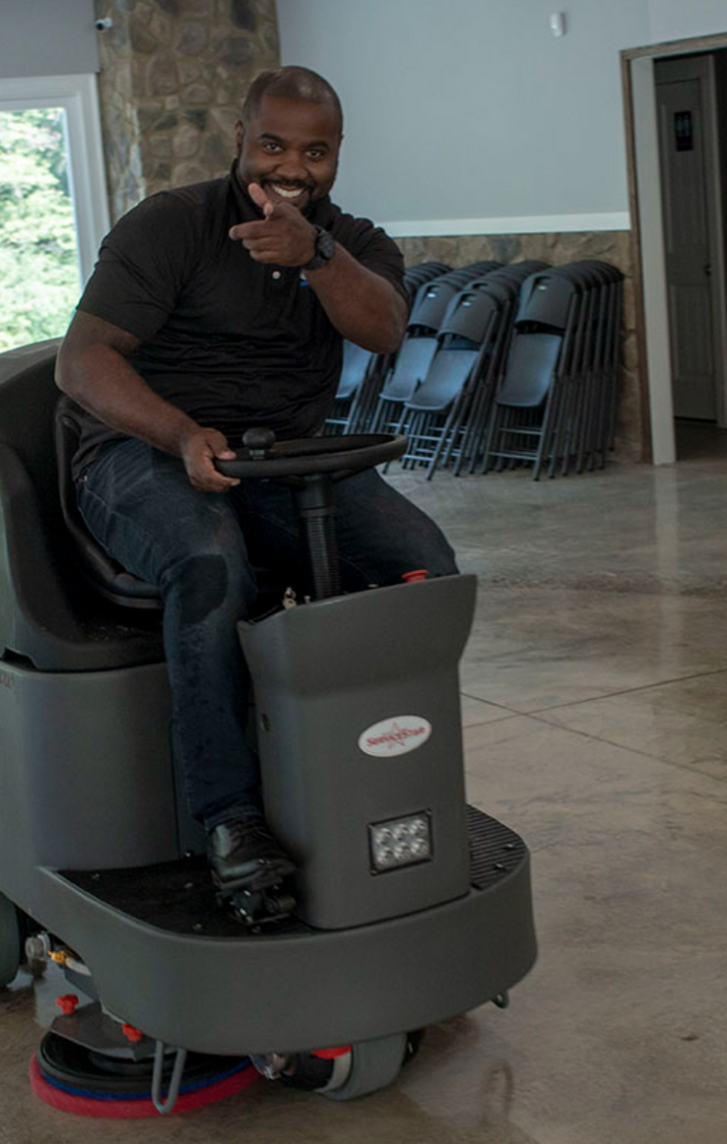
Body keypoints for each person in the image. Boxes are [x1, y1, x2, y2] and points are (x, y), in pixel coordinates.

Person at [56, 66, 457, 902]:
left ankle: (368, 773)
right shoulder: (170, 227)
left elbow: (382, 329)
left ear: (336, 155)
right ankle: (229, 814)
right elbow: (82, 361)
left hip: (281, 456)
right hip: (140, 452)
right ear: (239, 137)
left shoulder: (351, 241)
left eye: (315, 150)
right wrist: (177, 430)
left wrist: (316, 255)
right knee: (213, 568)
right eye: (273, 143)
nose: (293, 166)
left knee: (423, 565)